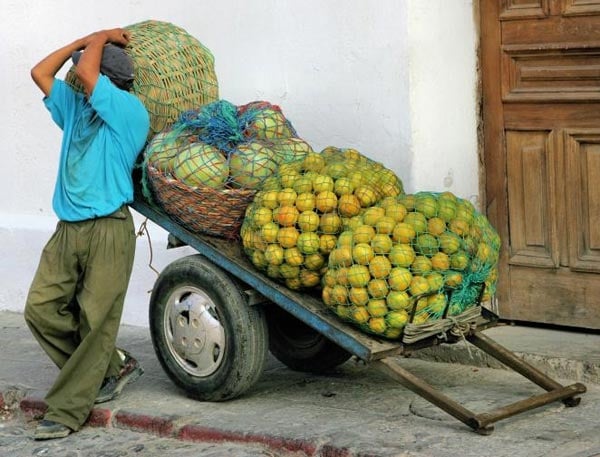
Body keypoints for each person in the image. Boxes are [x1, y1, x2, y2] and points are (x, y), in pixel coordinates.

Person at [25, 28, 150, 440]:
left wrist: (99, 40)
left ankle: (65, 411)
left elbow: (93, 73)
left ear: (111, 83)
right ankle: (110, 365)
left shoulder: (130, 112)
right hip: (68, 229)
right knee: (41, 309)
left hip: (108, 230)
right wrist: (83, 39)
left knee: (96, 321)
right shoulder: (76, 109)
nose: (78, 79)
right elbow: (40, 71)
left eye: (85, 73)